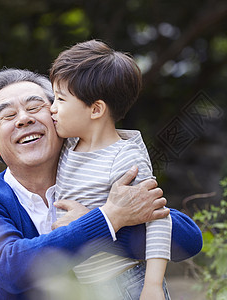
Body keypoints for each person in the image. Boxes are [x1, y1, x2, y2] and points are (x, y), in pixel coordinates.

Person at [0, 68, 203, 299]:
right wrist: (109, 219)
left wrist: (100, 219)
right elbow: (13, 268)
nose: (24, 119)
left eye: (36, 107)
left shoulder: (95, 181)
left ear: (58, 119)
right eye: (8, 115)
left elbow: (186, 240)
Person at [49, 40, 170, 299]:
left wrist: (153, 285)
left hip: (126, 283)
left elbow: (159, 218)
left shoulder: (124, 159)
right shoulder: (69, 144)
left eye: (60, 99)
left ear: (96, 109)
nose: (52, 108)